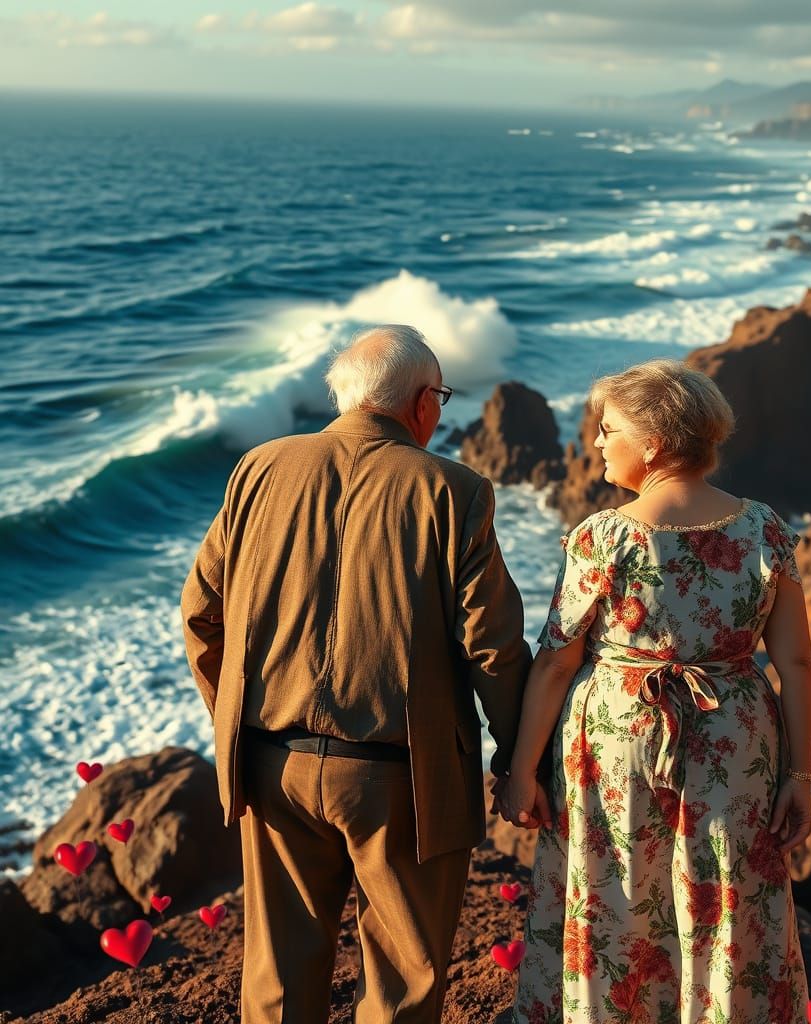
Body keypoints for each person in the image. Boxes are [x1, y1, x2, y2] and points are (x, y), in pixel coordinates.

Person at [180, 324, 531, 1024]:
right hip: (404, 780)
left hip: (274, 763)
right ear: (423, 402)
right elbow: (491, 647)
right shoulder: (453, 490)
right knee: (402, 988)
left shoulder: (258, 470)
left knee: (278, 983)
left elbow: (201, 613)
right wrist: (521, 761)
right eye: (441, 398)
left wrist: (235, 722)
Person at [505, 359, 811, 1023]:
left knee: (615, 900)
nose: (596, 442)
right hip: (735, 739)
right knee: (727, 899)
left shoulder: (603, 537)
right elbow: (796, 663)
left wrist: (522, 772)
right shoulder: (764, 529)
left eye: (608, 429)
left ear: (652, 444)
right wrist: (801, 774)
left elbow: (555, 664)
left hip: (617, 743)